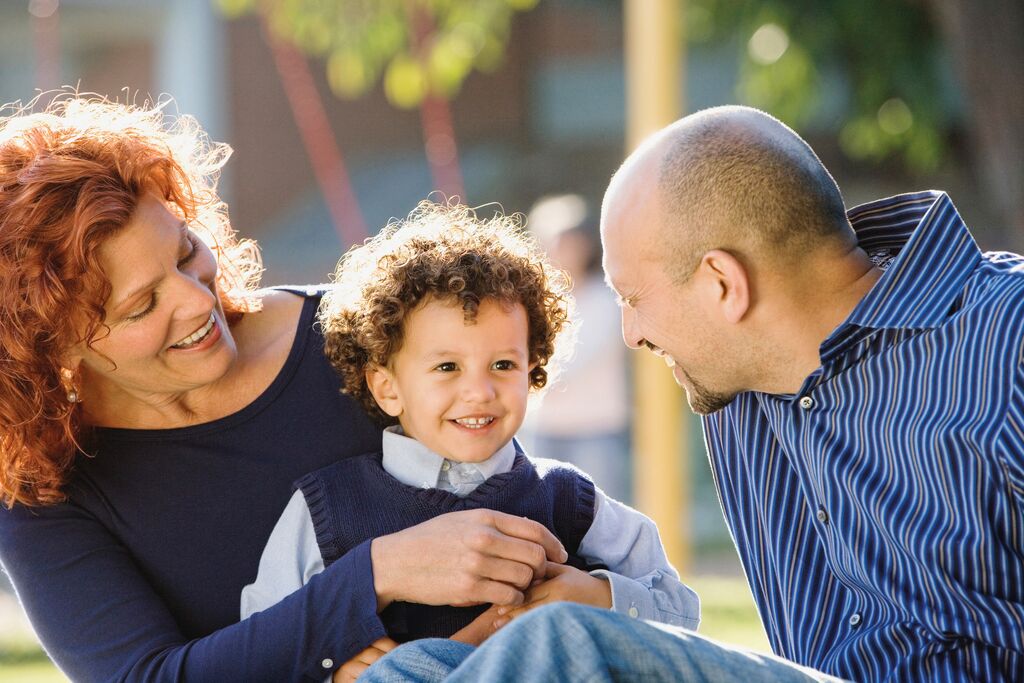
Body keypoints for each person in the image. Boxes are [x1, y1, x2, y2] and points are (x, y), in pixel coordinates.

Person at [363, 105, 1024, 682]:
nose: (629, 333)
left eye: (633, 299)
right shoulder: (738, 386)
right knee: (412, 669)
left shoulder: (1007, 339)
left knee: (562, 641)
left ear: (721, 284)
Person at [0, 96, 578, 683]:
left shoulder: (359, 337)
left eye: (185, 253)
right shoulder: (42, 491)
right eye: (142, 305)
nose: (199, 300)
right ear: (50, 347)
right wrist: (373, 576)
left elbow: (515, 512)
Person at [239, 202, 699, 681]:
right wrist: (329, 669)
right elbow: (264, 640)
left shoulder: (570, 498)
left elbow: (680, 612)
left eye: (503, 365)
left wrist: (601, 598)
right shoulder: (327, 509)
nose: (480, 391)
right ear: (387, 386)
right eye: (446, 367)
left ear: (532, 369)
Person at [521, 194, 632, 503]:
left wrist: (522, 374)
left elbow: (575, 358)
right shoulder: (532, 301)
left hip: (595, 427)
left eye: (569, 243)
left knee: (600, 515)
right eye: (553, 243)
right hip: (544, 425)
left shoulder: (604, 299)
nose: (560, 253)